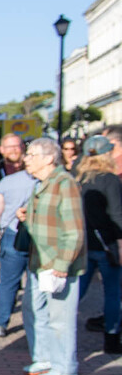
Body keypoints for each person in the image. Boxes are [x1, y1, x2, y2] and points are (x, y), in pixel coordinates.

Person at [17, 137, 85, 375]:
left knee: (60, 317)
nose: (26, 159)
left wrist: (62, 264)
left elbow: (74, 230)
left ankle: (65, 365)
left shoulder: (64, 183)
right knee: (36, 312)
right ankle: (45, 358)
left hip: (57, 264)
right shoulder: (42, 184)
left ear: (48, 158)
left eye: (32, 154)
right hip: (40, 262)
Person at [74, 135, 122, 354]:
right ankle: (112, 339)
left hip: (83, 243)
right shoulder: (109, 180)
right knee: (112, 293)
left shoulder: (77, 178)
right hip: (106, 244)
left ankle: (60, 333)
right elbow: (117, 215)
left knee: (76, 292)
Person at [0, 167, 38, 337]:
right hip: (35, 237)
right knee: (35, 284)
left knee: (8, 283)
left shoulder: (9, 181)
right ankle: (34, 323)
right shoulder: (47, 183)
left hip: (12, 234)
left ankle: (0, 323)